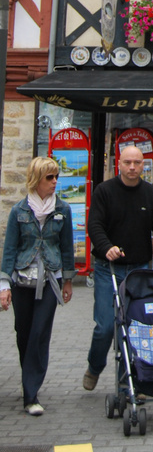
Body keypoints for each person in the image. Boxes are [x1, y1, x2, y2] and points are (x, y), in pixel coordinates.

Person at [83, 145, 153, 391]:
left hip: (139, 270)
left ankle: (128, 383)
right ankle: (94, 366)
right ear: (119, 165)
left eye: (137, 163)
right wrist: (106, 247)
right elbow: (95, 226)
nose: (132, 167)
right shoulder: (105, 191)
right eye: (127, 163)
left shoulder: (151, 193)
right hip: (107, 269)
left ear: (143, 165)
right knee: (105, 327)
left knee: (134, 327)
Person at [0, 157, 75, 415]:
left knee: (39, 334)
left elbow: (66, 246)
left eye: (56, 177)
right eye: (49, 178)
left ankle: (31, 395)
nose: (55, 182)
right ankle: (28, 380)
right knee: (23, 334)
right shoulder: (19, 211)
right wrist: (4, 285)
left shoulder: (62, 209)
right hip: (22, 280)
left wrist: (67, 279)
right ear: (36, 180)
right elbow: (9, 250)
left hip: (50, 280)